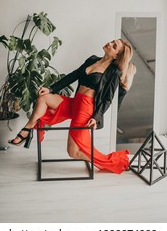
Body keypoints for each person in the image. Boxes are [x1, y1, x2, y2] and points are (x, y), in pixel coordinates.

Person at [9, 39, 136, 174]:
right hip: (75, 102)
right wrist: (51, 89)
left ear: (116, 56)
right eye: (111, 41)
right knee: (44, 98)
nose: (109, 44)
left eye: (114, 46)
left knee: (73, 152)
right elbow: (73, 75)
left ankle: (108, 162)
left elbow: (107, 99)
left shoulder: (114, 73)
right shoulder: (92, 59)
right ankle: (27, 130)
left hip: (86, 108)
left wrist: (96, 117)